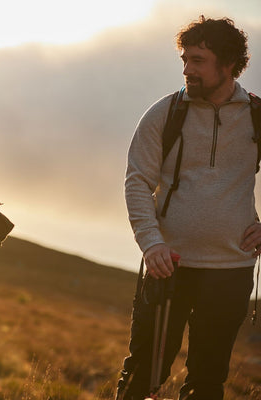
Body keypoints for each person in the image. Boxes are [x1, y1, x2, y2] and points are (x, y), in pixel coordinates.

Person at [117, 16, 258, 400]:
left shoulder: (257, 116)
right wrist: (151, 243)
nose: (187, 70)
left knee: (207, 383)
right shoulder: (164, 114)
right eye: (184, 60)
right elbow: (137, 182)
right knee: (143, 375)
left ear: (228, 64)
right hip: (169, 268)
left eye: (197, 60)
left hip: (231, 271)